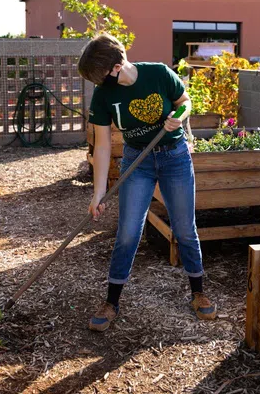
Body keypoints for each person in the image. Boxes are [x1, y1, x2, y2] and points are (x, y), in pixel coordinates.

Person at [78, 33, 217, 332]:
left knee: (184, 228)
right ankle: (111, 301)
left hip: (174, 157)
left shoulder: (158, 73)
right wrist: (98, 193)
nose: (97, 84)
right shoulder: (104, 96)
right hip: (136, 162)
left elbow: (185, 102)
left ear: (116, 67)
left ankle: (198, 292)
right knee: (128, 231)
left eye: (99, 77)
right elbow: (101, 146)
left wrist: (178, 116)